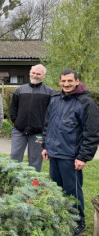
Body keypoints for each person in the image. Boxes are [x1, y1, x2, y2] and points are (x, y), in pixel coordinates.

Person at [42, 69, 99, 236]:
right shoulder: (54, 99)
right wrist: (45, 146)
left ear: (77, 81)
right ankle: (61, 217)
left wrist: (83, 157)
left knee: (72, 191)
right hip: (54, 153)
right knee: (57, 189)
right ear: (59, 82)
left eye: (69, 81)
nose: (66, 84)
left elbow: (92, 132)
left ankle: (77, 221)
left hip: (71, 156)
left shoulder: (86, 103)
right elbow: (48, 125)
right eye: (63, 81)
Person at [10, 64, 55, 172]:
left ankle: (32, 184)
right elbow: (13, 109)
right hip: (19, 131)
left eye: (38, 74)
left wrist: (44, 128)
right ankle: (12, 181)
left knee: (35, 160)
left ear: (44, 76)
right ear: (30, 73)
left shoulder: (50, 92)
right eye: (33, 73)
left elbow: (52, 113)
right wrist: (16, 122)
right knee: (14, 157)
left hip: (38, 133)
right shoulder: (20, 90)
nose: (35, 75)